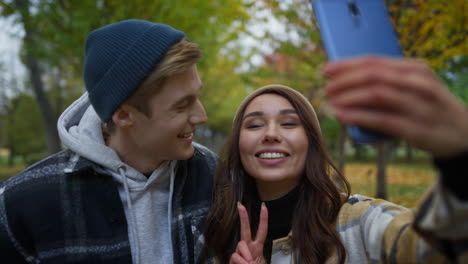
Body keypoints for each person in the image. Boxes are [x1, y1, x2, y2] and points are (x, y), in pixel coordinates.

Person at [204, 57, 468, 263]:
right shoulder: (216, 231)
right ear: (238, 144)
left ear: (312, 143)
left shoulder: (360, 222)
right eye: (254, 125)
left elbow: (432, 250)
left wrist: (459, 162)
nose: (271, 134)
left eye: (288, 123)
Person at [0, 19, 217, 264]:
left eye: (197, 96)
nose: (202, 116)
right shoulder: (22, 203)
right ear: (124, 115)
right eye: (182, 105)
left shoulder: (214, 175)